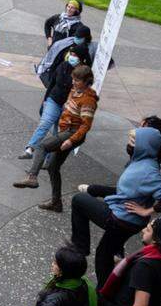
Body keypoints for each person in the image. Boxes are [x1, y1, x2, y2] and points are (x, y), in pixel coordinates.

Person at [70, 127, 161, 288]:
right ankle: (105, 290)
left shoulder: (148, 170)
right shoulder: (141, 160)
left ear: (144, 146)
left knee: (79, 201)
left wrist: (147, 211)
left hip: (122, 220)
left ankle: (83, 254)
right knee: (105, 253)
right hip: (124, 217)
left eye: (133, 141)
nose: (129, 144)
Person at [14, 64, 99, 211]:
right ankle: (56, 203)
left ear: (87, 81)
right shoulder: (75, 91)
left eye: (77, 80)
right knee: (53, 167)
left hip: (71, 133)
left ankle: (32, 177)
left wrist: (70, 140)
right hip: (65, 131)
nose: (74, 82)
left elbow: (85, 126)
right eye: (73, 79)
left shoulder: (88, 100)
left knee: (41, 146)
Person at [25, 28, 92, 159]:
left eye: (75, 56)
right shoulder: (63, 66)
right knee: (45, 123)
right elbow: (52, 84)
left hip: (68, 107)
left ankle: (48, 159)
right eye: (71, 54)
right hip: (54, 100)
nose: (71, 57)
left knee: (58, 133)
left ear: (82, 59)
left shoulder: (84, 74)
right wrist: (45, 100)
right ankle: (30, 148)